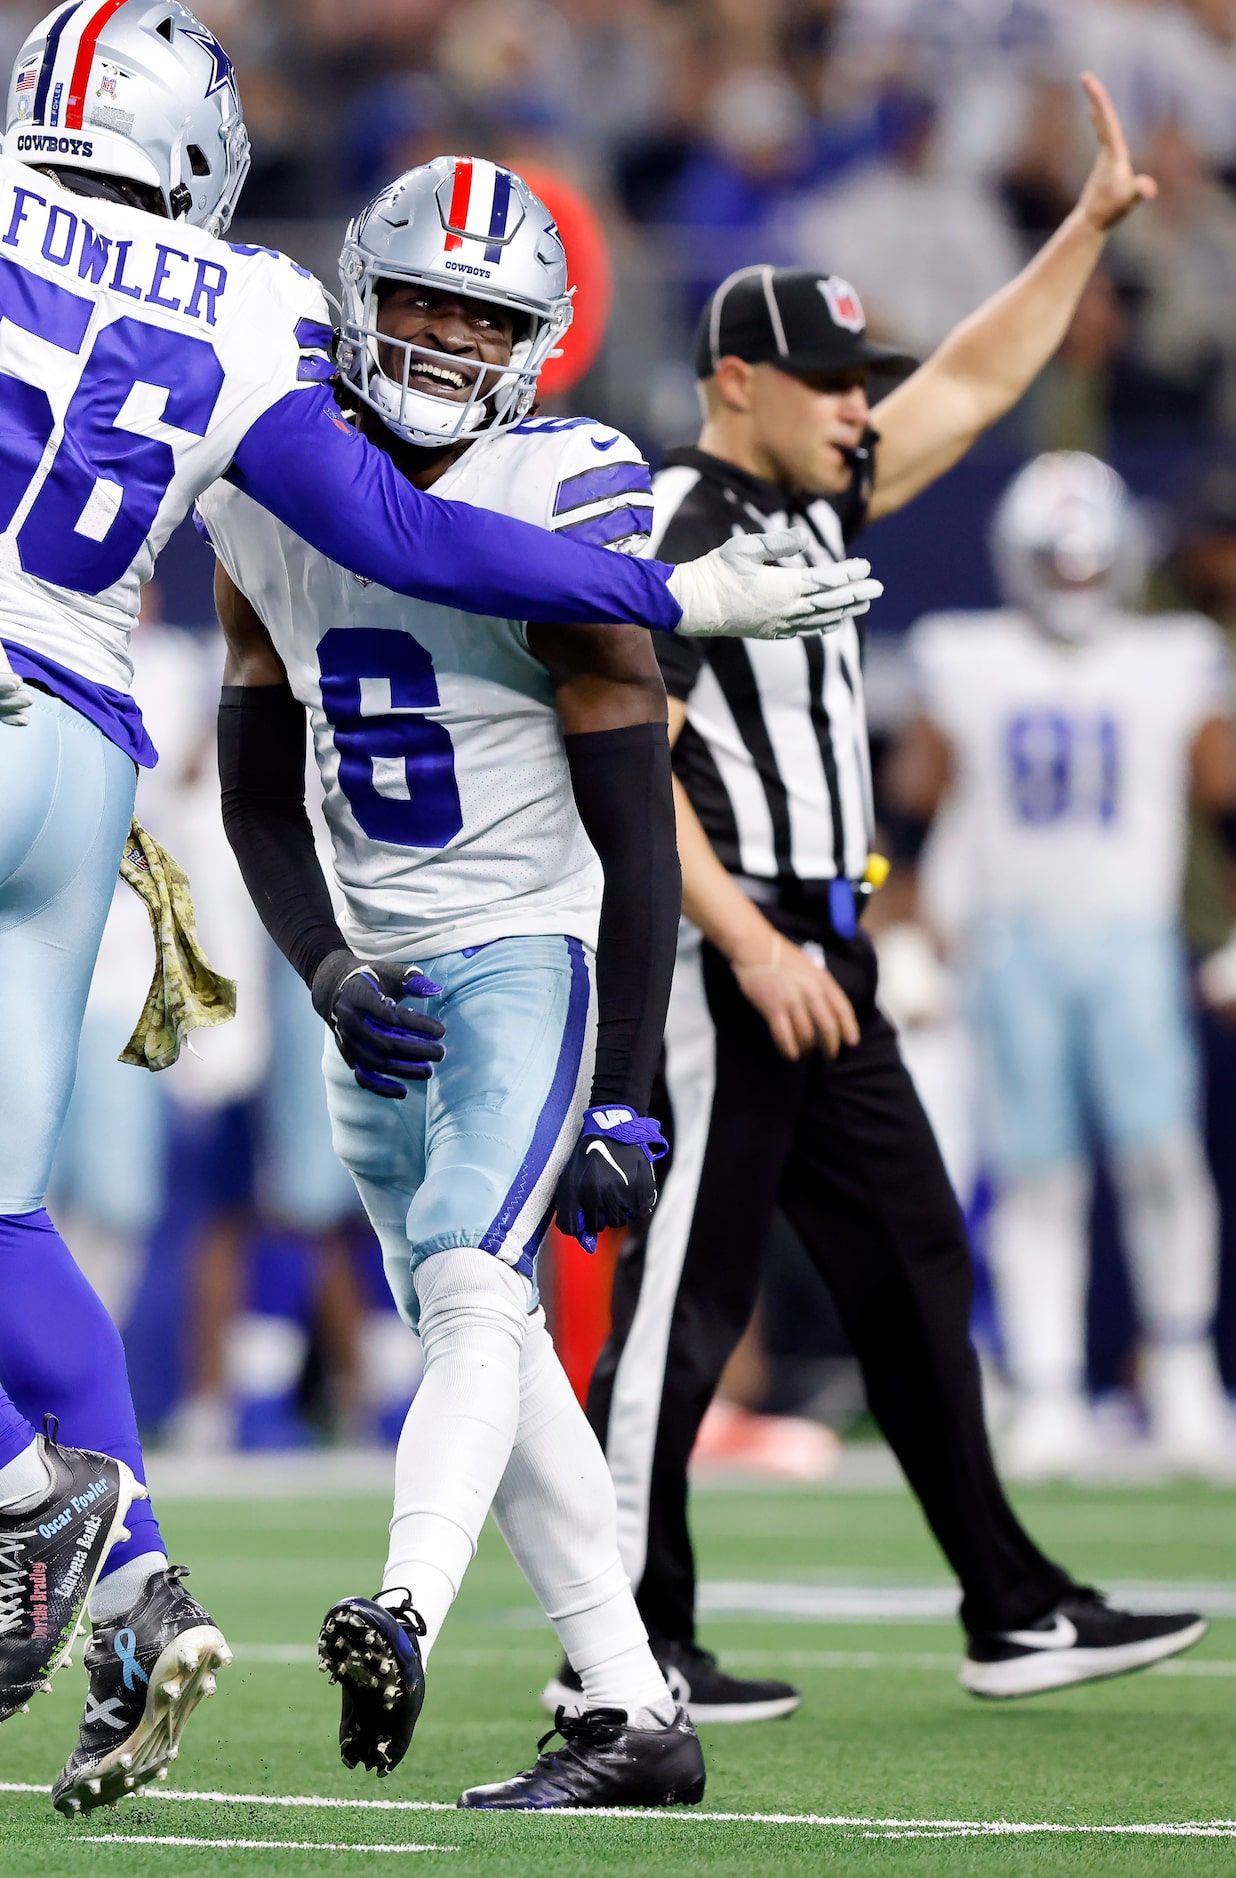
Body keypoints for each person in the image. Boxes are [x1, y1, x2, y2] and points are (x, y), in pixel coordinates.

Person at [0, 0, 874, 1817]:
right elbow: (398, 536)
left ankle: (32, 1488)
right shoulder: (249, 310)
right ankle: (143, 1588)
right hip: (90, 762)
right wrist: (672, 595)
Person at [204, 157, 863, 1811]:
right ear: (361, 288)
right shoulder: (264, 484)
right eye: (418, 294)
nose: (436, 333)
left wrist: (629, 1076)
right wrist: (322, 958)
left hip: (521, 949)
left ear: (540, 340)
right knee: (471, 1331)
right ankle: (635, 1709)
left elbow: (636, 819)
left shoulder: (561, 484)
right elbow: (254, 773)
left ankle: (403, 1604)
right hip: (382, 978)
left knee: (481, 1308)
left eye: (478, 312)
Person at [569, 74, 1207, 1723]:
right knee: (682, 1310)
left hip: (822, 947)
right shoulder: (673, 528)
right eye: (830, 379)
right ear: (735, 381)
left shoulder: (812, 495)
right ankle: (623, 1643)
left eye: (864, 378)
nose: (863, 404)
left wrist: (1078, 231)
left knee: (919, 1257)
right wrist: (749, 938)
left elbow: (979, 383)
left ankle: (1009, 1602)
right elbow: (629, 770)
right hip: (735, 954)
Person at [895, 453, 1236, 1477]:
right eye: (1058, 559)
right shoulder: (968, 654)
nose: (1076, 578)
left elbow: (1224, 798)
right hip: (1013, 945)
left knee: (1161, 1162)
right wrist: (905, 931)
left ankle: (1181, 1373)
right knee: (1036, 1176)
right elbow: (913, 807)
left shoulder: (1176, 653)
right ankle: (1047, 1389)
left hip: (1133, 940)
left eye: (1090, 560)